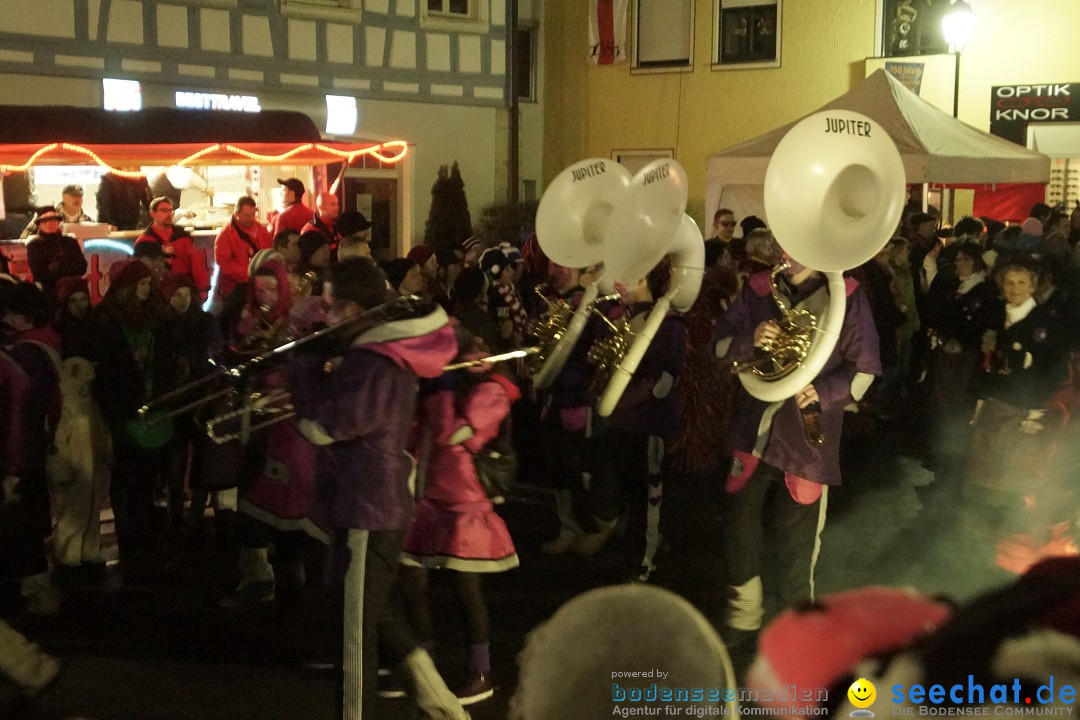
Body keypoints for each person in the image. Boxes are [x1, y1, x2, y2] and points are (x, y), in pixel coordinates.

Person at [287, 257, 468, 720]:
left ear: (357, 308)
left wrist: (304, 370)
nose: (326, 318)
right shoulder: (375, 354)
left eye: (333, 308)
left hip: (368, 507)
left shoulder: (373, 360)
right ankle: (440, 705)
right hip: (367, 502)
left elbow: (324, 427)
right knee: (373, 613)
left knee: (355, 632)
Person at [714, 252, 880, 642]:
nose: (785, 251)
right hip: (754, 427)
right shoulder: (756, 289)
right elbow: (717, 345)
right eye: (782, 241)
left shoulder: (846, 294)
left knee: (798, 539)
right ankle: (745, 611)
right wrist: (749, 340)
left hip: (806, 437)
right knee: (740, 523)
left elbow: (865, 368)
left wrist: (822, 393)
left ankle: (796, 628)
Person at [400, 327, 521, 705]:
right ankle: (424, 668)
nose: (478, 355)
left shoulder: (493, 390)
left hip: (466, 504)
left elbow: (453, 435)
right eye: (469, 349)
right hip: (425, 499)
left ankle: (480, 672)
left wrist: (442, 390)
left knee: (466, 592)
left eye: (485, 347)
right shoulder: (444, 384)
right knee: (411, 585)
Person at [1, 282, 63, 615]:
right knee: (31, 528)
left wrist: (10, 469)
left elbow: (14, 414)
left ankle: (36, 598)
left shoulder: (19, 358)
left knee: (20, 532)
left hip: (17, 457)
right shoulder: (44, 347)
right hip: (35, 450)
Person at [136, 196, 210, 299]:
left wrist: (202, 288)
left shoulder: (181, 235)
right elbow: (141, 273)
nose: (169, 214)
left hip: (185, 288)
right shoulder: (144, 242)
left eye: (171, 210)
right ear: (152, 213)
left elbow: (196, 263)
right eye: (164, 210)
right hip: (158, 293)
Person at [214, 195, 273, 305]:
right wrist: (250, 275)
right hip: (236, 290)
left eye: (253, 215)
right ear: (236, 214)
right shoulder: (225, 236)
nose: (251, 218)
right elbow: (225, 265)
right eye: (246, 216)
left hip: (259, 287)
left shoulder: (261, 230)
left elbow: (270, 254)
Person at [24, 206, 88, 301]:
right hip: (48, 294)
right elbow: (39, 273)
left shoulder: (69, 241)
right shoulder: (35, 245)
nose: (50, 223)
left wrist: (57, 269)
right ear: (39, 225)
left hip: (72, 292)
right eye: (45, 221)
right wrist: (64, 268)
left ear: (58, 222)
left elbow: (82, 266)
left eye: (53, 220)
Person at [19, 184, 94, 239]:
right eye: (73, 196)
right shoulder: (46, 215)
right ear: (63, 197)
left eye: (80, 196)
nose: (77, 199)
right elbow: (23, 239)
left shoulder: (89, 220)